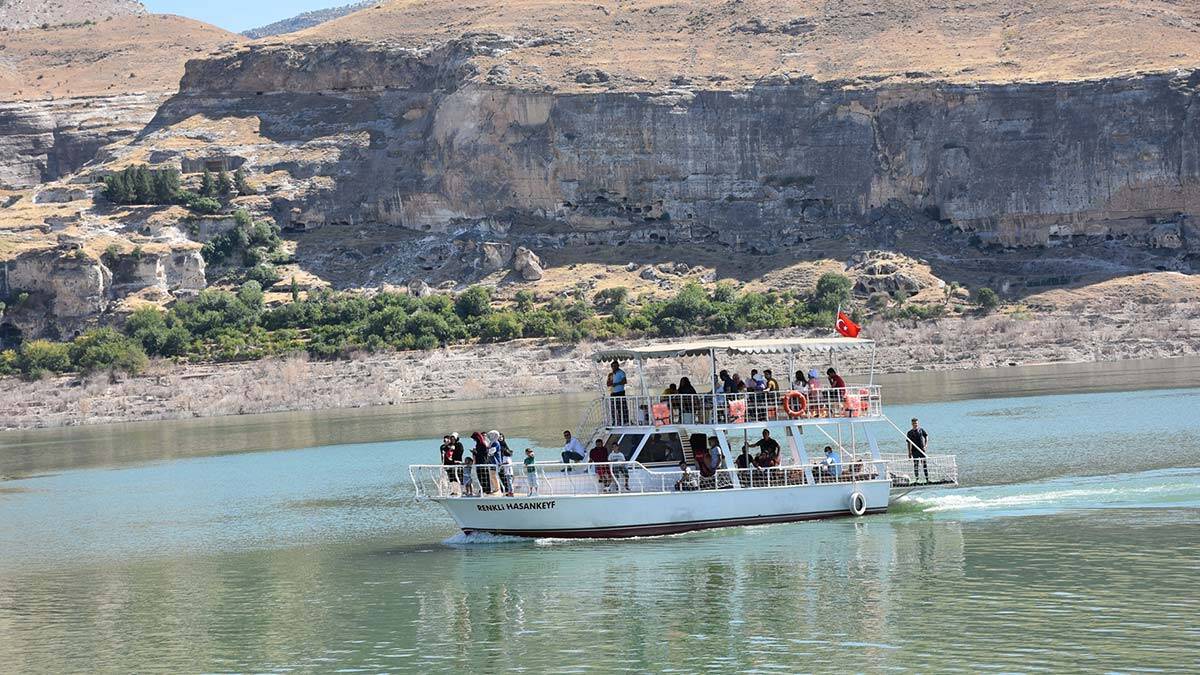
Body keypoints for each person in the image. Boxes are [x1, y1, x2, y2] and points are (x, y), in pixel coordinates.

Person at [906, 418, 930, 483]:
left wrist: (926, 445)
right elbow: (908, 443)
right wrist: (909, 452)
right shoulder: (909, 432)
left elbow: (926, 436)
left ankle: (927, 479)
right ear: (912, 424)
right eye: (914, 423)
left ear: (918, 423)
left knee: (924, 464)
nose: (915, 425)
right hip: (914, 451)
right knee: (916, 465)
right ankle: (917, 479)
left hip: (922, 450)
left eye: (916, 423)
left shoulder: (921, 430)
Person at [607, 360, 628, 424]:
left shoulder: (621, 372)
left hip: (620, 392)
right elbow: (608, 383)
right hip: (613, 393)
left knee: (622, 407)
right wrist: (611, 383)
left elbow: (624, 381)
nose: (613, 367)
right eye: (612, 366)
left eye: (615, 366)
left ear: (618, 366)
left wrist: (616, 383)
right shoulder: (610, 374)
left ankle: (625, 420)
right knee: (613, 408)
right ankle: (615, 421)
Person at [497, 433, 515, 497]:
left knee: (508, 479)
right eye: (499, 437)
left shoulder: (504, 444)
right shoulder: (497, 444)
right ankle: (505, 490)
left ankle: (509, 491)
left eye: (502, 437)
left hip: (504, 464)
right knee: (503, 477)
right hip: (501, 463)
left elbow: (509, 452)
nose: (500, 438)